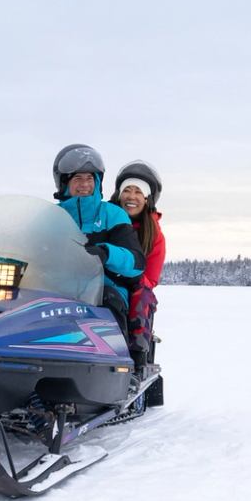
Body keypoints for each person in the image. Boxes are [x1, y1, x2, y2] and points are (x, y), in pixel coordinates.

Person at [51, 144, 145, 344]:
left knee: (110, 302)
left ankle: (116, 361)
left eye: (89, 178)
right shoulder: (50, 216)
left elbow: (136, 263)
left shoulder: (113, 214)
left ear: (98, 182)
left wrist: (106, 253)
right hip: (54, 288)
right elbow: (27, 245)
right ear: (65, 183)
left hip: (104, 289)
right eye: (78, 178)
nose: (84, 184)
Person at [113, 160, 165, 405]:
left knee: (140, 295)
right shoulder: (106, 217)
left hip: (133, 284)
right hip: (94, 275)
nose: (131, 196)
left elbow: (151, 277)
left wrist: (126, 273)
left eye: (137, 191)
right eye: (127, 190)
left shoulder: (153, 233)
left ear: (147, 199)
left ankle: (135, 358)